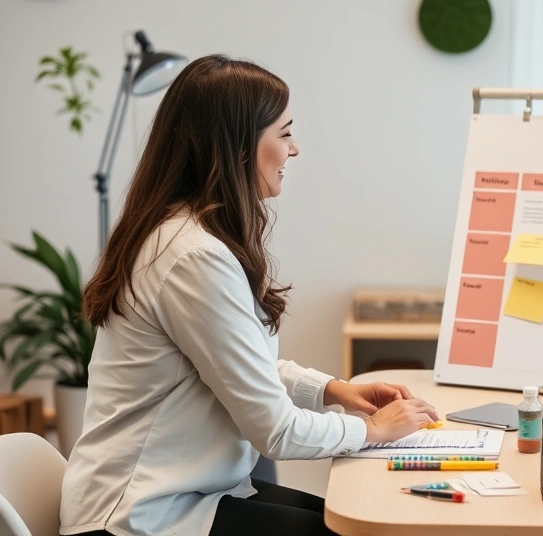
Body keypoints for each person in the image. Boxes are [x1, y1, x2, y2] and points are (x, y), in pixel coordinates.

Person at [60, 54, 439, 536]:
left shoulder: (185, 236)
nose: (294, 149)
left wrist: (333, 390)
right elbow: (275, 430)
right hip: (140, 517)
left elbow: (234, 365)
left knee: (351, 520)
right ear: (239, 146)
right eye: (284, 133)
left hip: (185, 494)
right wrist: (373, 429)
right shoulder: (192, 256)